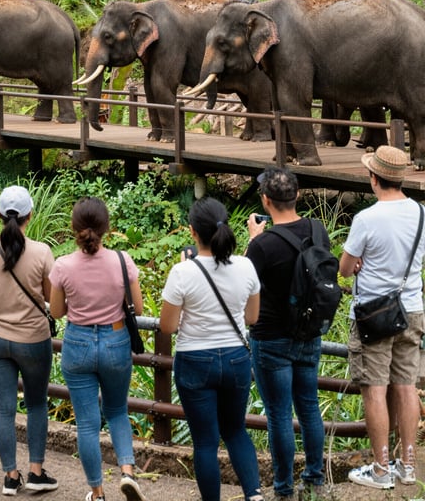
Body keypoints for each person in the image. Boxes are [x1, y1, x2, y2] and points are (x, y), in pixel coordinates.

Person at [160, 197, 262, 501]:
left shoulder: (183, 272)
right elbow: (252, 318)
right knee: (235, 431)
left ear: (193, 232)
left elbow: (168, 326)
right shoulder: (245, 266)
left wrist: (184, 268)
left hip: (195, 359)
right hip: (235, 359)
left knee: (205, 441)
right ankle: (254, 495)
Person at [49, 197, 146, 501]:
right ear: (107, 228)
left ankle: (97, 492)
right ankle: (128, 472)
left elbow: (56, 311)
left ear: (74, 228)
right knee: (117, 411)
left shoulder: (63, 265)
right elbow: (138, 307)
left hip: (78, 343)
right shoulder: (122, 261)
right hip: (116, 341)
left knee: (87, 424)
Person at [339, 146, 425, 489]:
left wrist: (358, 263)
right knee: (406, 386)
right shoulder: (421, 213)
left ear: (374, 178)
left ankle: (379, 469)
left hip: (375, 314)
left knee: (374, 390)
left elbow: (345, 268)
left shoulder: (366, 219)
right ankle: (408, 465)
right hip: (414, 309)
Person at [245, 167, 328, 499]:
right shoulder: (318, 230)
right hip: (310, 331)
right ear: (298, 195)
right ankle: (315, 479)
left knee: (279, 413)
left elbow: (245, 286)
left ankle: (283, 488)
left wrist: (254, 240)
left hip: (270, 338)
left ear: (266, 201)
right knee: (308, 406)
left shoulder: (262, 244)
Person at [0, 185, 58, 496]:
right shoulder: (42, 252)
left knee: (4, 410)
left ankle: (10, 476)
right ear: (29, 215)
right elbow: (51, 299)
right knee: (36, 406)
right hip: (33, 339)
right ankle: (36, 471)